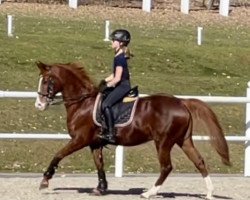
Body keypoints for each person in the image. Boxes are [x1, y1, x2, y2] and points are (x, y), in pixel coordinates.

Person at [99, 29, 132, 143]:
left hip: (123, 86)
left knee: (106, 104)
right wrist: (103, 81)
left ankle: (111, 133)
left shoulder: (120, 58)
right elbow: (115, 74)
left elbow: (117, 78)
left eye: (114, 40)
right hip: (120, 84)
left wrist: (107, 85)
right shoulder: (118, 55)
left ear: (121, 43)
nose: (112, 42)